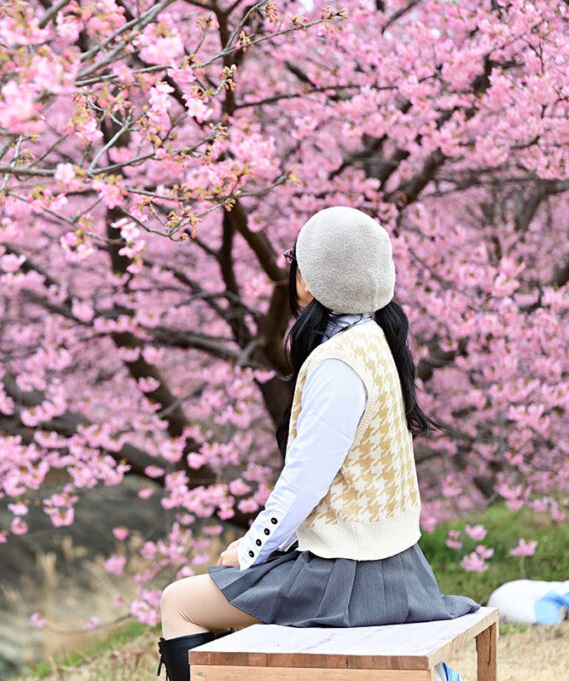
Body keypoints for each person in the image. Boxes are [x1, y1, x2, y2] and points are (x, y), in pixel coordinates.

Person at [155, 207, 479, 681]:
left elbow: (304, 483)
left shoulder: (337, 364)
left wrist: (248, 550)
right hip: (399, 568)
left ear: (306, 282)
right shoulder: (376, 340)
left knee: (178, 602)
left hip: (347, 579)